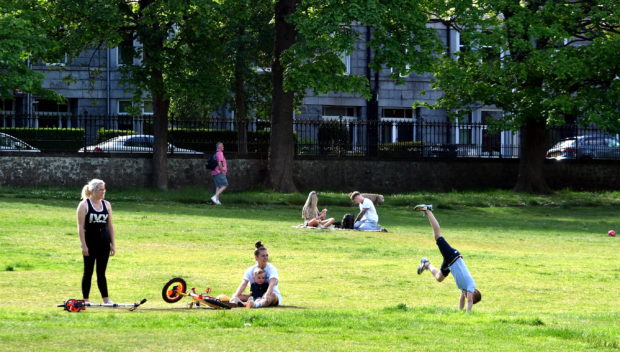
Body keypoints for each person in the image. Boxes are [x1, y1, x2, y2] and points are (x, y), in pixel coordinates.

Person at [414, 204, 481, 313]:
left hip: (451, 263)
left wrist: (460, 312)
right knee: (437, 236)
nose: (466, 296)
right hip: (453, 257)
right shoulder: (470, 286)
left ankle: (426, 264)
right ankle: (428, 210)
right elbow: (468, 301)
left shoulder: (464, 289)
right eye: (470, 297)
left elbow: (462, 300)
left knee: (439, 278)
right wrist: (468, 315)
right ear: (473, 294)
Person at [76, 179, 116, 304]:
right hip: (90, 242)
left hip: (104, 242)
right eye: (101, 190)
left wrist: (113, 244)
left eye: (104, 189)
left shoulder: (107, 204)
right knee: (88, 271)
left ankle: (106, 299)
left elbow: (110, 226)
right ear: (93, 191)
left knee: (101, 272)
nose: (103, 192)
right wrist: (83, 245)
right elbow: (80, 227)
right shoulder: (84, 205)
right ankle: (86, 299)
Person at [231, 241, 281, 308]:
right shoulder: (250, 270)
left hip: (270, 295)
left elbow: (272, 283)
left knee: (270, 296)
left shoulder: (272, 268)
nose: (266, 258)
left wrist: (267, 294)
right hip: (255, 295)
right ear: (256, 258)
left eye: (267, 255)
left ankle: (254, 305)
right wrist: (236, 295)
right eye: (263, 256)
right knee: (236, 295)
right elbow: (244, 283)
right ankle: (245, 303)